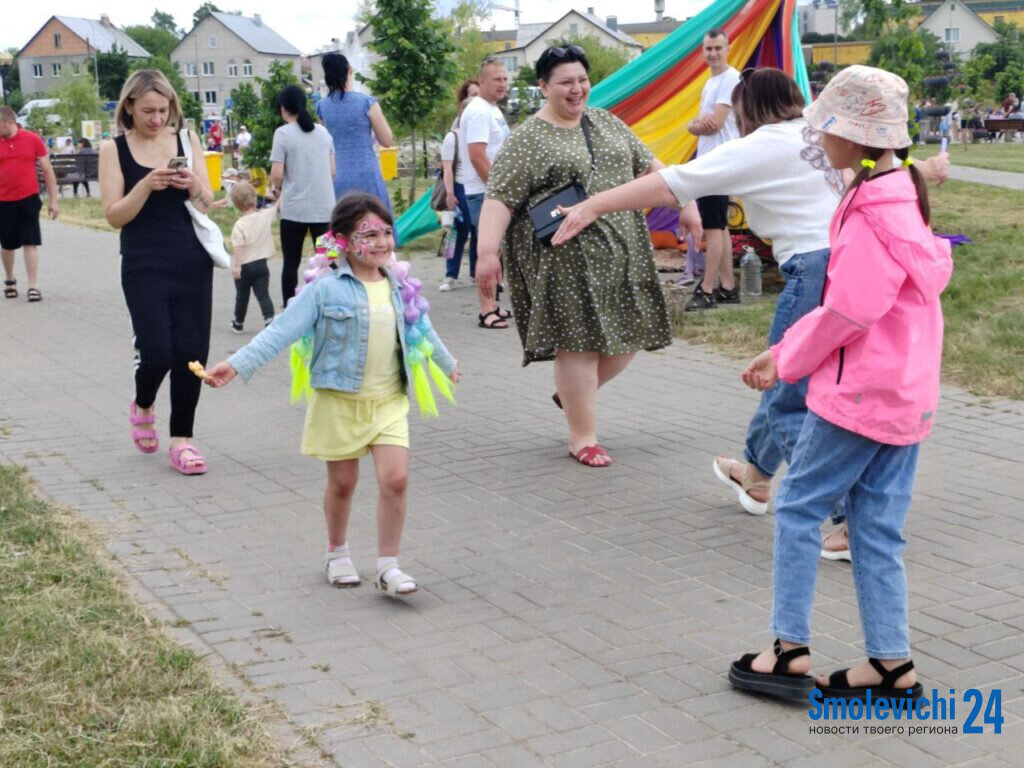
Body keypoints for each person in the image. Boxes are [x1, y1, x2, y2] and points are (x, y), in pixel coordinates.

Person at [552, 67, 950, 552]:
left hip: (816, 273)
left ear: (746, 111)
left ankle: (850, 518)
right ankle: (756, 474)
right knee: (781, 387)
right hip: (852, 265)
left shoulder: (763, 144)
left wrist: (594, 205)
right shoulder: (832, 135)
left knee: (787, 397)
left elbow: (675, 184)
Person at [727, 65, 951, 704]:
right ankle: (890, 665)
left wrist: (785, 357)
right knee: (876, 527)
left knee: (796, 504)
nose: (816, 138)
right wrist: (786, 351)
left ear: (852, 139)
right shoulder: (900, 197)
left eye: (824, 127)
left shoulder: (870, 212)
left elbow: (851, 310)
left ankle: (787, 648)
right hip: (904, 395)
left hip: (859, 395)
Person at [203, 194, 460, 595]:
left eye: (386, 232)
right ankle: (336, 552)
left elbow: (421, 327)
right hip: (339, 400)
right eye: (368, 234)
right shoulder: (325, 290)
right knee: (343, 484)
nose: (381, 242)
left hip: (388, 399)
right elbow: (281, 331)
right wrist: (236, 364)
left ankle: (389, 566)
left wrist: (447, 363)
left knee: (396, 479)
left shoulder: (398, 282)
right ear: (342, 239)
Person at [476, 45, 672, 467]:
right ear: (544, 86)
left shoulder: (606, 122)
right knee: (579, 345)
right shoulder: (528, 138)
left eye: (582, 80)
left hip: (624, 254)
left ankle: (571, 395)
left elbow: (652, 166)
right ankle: (583, 436)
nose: (577, 89)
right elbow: (499, 199)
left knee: (631, 332)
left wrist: (686, 204)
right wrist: (487, 253)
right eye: (565, 81)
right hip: (564, 260)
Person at [99, 69, 216, 474]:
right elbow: (115, 216)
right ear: (128, 106)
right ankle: (143, 401)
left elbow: (207, 199)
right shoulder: (113, 149)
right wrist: (146, 185)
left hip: (191, 258)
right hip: (143, 261)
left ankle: (182, 440)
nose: (156, 119)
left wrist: (193, 185)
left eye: (163, 111)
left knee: (191, 352)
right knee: (158, 351)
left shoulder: (186, 139)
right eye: (147, 110)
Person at [684, 28, 742, 311]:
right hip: (712, 160)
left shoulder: (730, 78)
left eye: (718, 48)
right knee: (720, 226)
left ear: (727, 48)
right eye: (709, 49)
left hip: (719, 161)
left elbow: (715, 123)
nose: (713, 53)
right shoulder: (711, 82)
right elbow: (699, 124)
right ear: (703, 51)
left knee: (713, 228)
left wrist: (695, 125)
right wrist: (696, 125)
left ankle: (706, 289)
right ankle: (728, 286)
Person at [270, 84, 336, 309]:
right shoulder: (324, 133)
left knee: (291, 262)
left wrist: (276, 188)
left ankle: (290, 309)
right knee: (329, 260)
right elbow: (332, 171)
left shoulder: (282, 134)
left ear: (283, 108)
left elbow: (277, 174)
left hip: (294, 210)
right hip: (325, 209)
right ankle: (332, 302)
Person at [461, 57, 513, 329]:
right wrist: (496, 190)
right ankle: (485, 311)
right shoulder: (480, 111)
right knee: (487, 251)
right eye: (496, 79)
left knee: (497, 251)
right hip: (484, 192)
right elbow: (477, 155)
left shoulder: (492, 109)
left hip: (492, 190)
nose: (502, 84)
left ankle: (494, 304)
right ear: (481, 81)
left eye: (505, 78)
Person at [316, 52, 394, 212]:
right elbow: (387, 140)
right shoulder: (367, 103)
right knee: (375, 221)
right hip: (366, 173)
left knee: (344, 225)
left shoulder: (322, 107)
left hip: (336, 176)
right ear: (349, 70)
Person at [0, 106, 59, 303]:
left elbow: (47, 169)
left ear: (9, 122)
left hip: (28, 197)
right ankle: (9, 279)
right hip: (3, 200)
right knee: (7, 244)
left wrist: (53, 200)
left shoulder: (32, 139)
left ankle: (33, 285)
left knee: (30, 240)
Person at [438, 79, 480, 292]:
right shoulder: (453, 137)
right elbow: (447, 168)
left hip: (479, 189)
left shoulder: (482, 136)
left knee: (478, 233)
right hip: (461, 189)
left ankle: (475, 273)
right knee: (455, 233)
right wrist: (450, 194)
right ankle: (449, 274)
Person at [227, 181, 277, 333]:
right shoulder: (264, 216)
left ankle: (238, 322)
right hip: (262, 265)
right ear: (255, 199)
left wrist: (237, 266)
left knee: (242, 296)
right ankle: (269, 319)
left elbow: (239, 248)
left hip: (245, 267)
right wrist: (279, 194)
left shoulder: (239, 225)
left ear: (236, 204)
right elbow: (277, 207)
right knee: (263, 294)